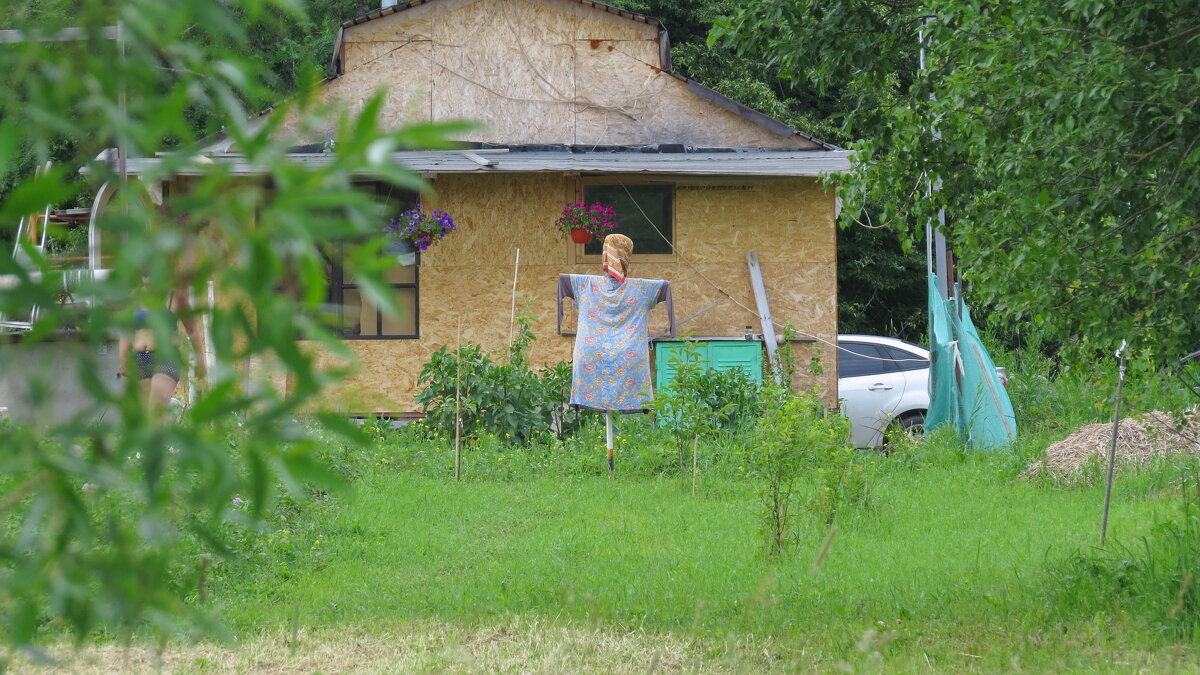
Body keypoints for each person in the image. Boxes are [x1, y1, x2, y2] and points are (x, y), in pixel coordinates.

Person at [117, 283, 206, 413]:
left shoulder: (175, 295)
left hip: (166, 356)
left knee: (156, 409)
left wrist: (200, 359)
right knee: (145, 413)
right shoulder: (134, 295)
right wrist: (123, 359)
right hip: (141, 358)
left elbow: (192, 330)